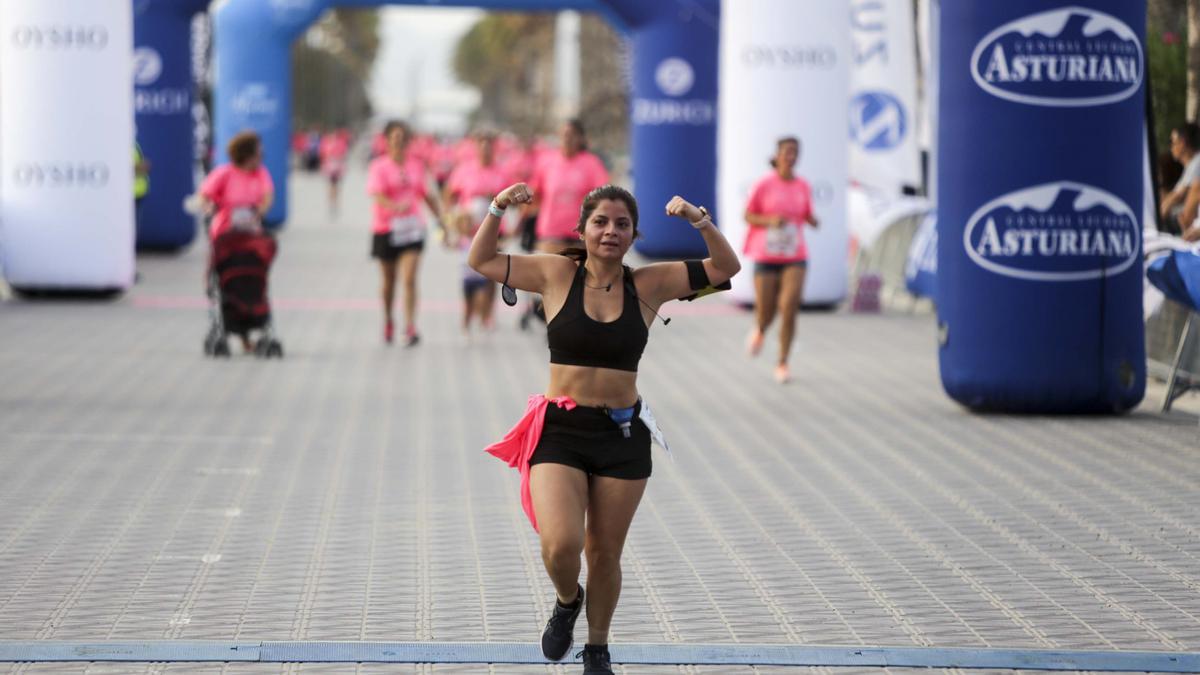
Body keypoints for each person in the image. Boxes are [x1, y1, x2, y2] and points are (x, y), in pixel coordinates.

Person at [469, 182, 741, 675]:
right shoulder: (554, 272)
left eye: (621, 224)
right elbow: (482, 259)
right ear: (582, 229)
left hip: (621, 435)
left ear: (634, 233)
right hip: (560, 429)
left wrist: (698, 221)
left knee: (604, 552)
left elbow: (727, 268)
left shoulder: (650, 284)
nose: (611, 231)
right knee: (561, 545)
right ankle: (567, 599)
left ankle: (597, 648)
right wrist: (498, 207)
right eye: (600, 222)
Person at [742, 136, 819, 384]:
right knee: (766, 311)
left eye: (795, 152)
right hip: (766, 254)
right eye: (787, 151)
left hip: (795, 255)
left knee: (789, 306)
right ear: (777, 155)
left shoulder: (803, 185)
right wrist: (770, 221)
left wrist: (812, 221)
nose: (791, 156)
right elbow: (748, 216)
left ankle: (783, 362)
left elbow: (807, 213)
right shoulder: (764, 184)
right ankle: (761, 329)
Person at [521, 119, 609, 327]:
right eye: (563, 135)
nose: (567, 139)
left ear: (580, 138)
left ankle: (576, 324)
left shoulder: (590, 163)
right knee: (549, 281)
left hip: (580, 235)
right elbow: (535, 195)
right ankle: (552, 322)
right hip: (550, 233)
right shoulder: (547, 162)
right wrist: (518, 221)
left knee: (579, 284)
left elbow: (604, 196)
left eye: (571, 135)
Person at [196, 130, 275, 352]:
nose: (261, 157)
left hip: (251, 236)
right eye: (257, 153)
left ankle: (250, 331)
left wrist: (260, 210)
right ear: (246, 154)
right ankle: (232, 330)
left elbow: (268, 195)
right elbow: (205, 195)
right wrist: (209, 205)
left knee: (251, 281)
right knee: (225, 282)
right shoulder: (224, 173)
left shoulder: (260, 174)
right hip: (225, 236)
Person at [366, 120, 443, 346]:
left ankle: (410, 327)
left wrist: (441, 218)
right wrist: (392, 206)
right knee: (389, 281)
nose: (399, 142)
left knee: (409, 279)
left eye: (403, 138)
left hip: (412, 229)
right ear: (387, 141)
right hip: (386, 229)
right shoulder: (379, 166)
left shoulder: (416, 165)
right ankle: (389, 319)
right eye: (395, 138)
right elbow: (376, 194)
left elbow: (425, 193)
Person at [442, 131, 510, 336]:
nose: (485, 150)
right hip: (470, 232)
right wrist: (451, 221)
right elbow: (449, 196)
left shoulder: (502, 172)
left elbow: (512, 200)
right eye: (482, 145)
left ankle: (488, 313)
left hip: (495, 230)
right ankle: (470, 311)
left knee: (492, 273)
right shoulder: (464, 170)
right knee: (471, 273)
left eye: (489, 146)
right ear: (476, 148)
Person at [319, 128, 350, 216]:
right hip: (329, 167)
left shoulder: (340, 142)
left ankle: (335, 202)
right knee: (331, 186)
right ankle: (332, 203)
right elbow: (322, 154)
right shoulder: (325, 143)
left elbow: (343, 153)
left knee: (336, 186)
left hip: (337, 167)